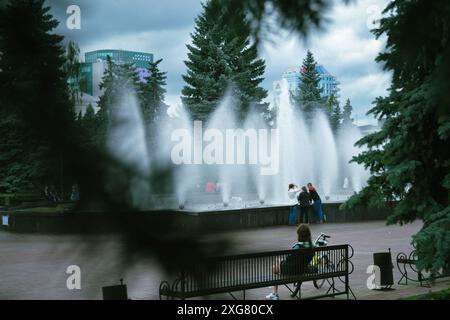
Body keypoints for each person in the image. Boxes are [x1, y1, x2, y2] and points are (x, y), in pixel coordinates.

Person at [266, 224, 313, 300]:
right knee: (278, 261)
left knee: (274, 267)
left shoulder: (297, 247)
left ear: (299, 235)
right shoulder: (312, 247)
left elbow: (288, 259)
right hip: (303, 269)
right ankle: (274, 287)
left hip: (293, 270)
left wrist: (281, 261)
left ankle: (275, 293)